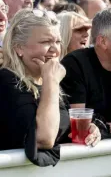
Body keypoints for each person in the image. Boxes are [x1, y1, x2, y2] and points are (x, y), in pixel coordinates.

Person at [0, 9, 100, 166]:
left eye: (58, 42)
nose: (55, 50)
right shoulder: (7, 81)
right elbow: (44, 138)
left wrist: (88, 129)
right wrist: (51, 82)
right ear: (19, 48)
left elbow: (58, 129)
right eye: (45, 42)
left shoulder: (47, 81)